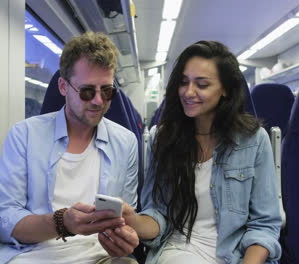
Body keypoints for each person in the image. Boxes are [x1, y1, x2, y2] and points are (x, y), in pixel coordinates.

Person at [116, 41, 282, 264]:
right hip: (174, 252)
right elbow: (157, 214)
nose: (188, 92)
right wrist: (133, 221)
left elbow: (264, 224)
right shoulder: (163, 138)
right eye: (184, 82)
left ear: (225, 89)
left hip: (234, 255)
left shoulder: (253, 141)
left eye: (202, 84)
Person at [0, 32, 140, 264]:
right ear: (63, 86)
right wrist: (62, 223)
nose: (98, 101)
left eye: (107, 91)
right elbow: (6, 223)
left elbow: (126, 217)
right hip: (32, 256)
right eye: (87, 91)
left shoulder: (126, 142)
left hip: (99, 256)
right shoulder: (24, 135)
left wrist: (125, 238)